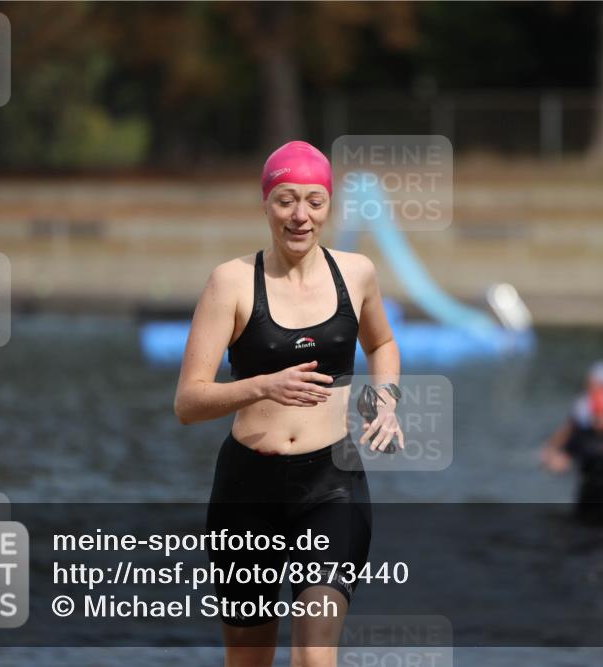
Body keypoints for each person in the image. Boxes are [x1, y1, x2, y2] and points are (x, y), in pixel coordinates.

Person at [173, 140, 403, 667]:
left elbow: (383, 345)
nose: (301, 215)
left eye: (314, 201)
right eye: (286, 200)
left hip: (332, 485)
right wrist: (262, 385)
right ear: (266, 205)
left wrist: (385, 399)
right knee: (249, 660)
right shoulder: (231, 282)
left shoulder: (356, 273)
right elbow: (188, 402)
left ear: (329, 207)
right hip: (246, 491)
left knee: (315, 658)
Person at [540, 360, 603, 521]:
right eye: (596, 414)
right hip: (587, 492)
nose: (599, 419)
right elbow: (567, 437)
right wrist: (553, 454)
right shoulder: (582, 429)